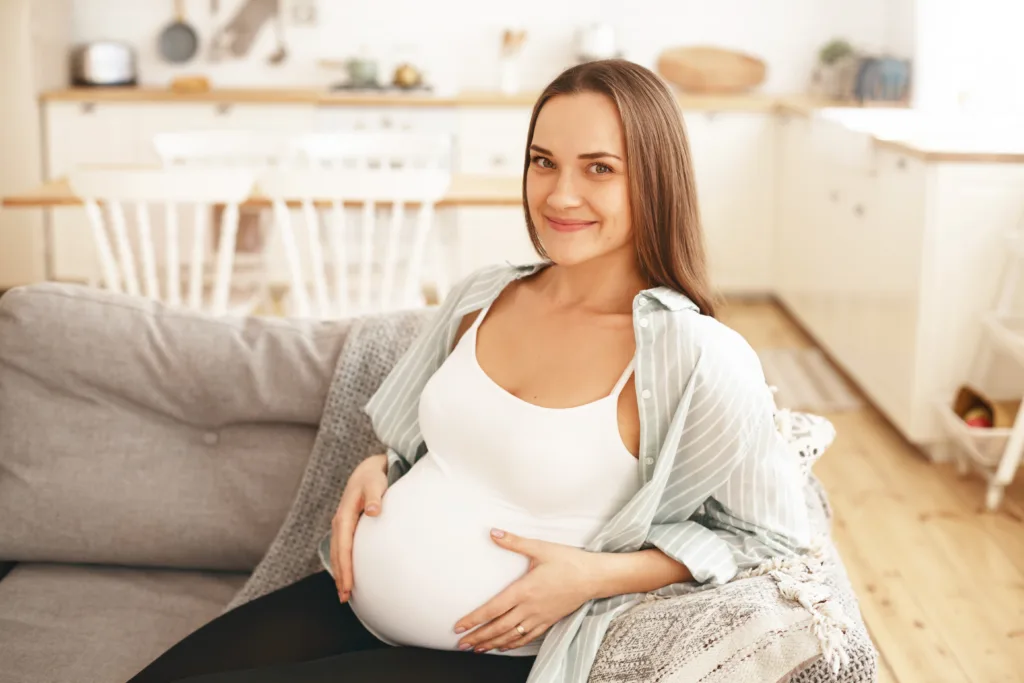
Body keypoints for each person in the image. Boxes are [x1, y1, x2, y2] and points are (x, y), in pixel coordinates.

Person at [127, 58, 810, 683]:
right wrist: (379, 466)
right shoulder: (484, 295)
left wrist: (595, 575)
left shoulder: (696, 355)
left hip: (488, 656)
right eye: (543, 162)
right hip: (348, 599)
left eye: (599, 168)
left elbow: (768, 534)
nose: (560, 194)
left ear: (654, 179)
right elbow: (410, 439)